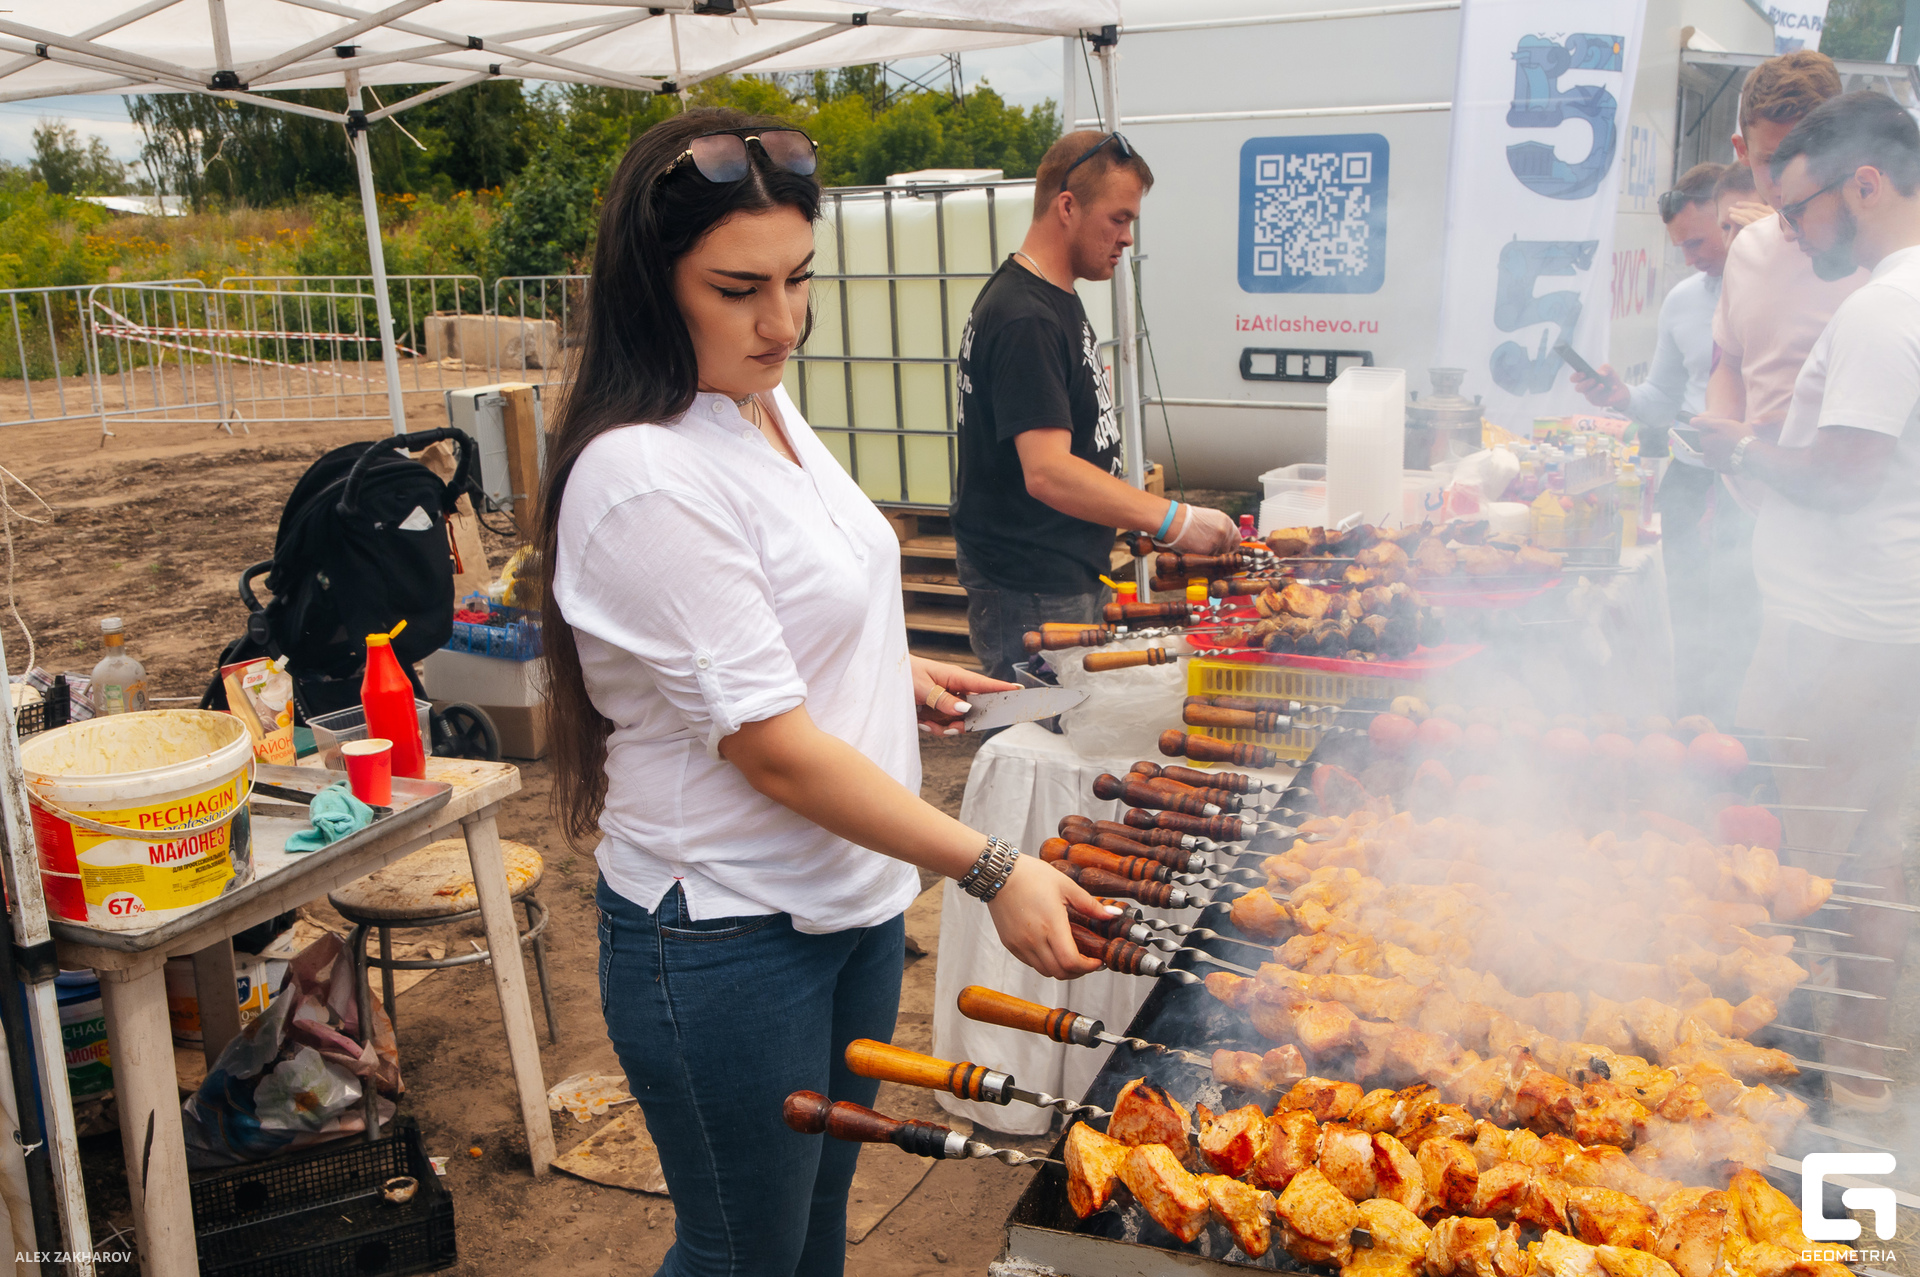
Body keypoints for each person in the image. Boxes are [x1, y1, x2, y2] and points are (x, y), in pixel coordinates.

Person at [535, 109, 1112, 1276]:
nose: (783, 320)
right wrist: (991, 866)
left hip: (848, 905)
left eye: (799, 278)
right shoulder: (644, 470)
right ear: (652, 286)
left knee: (812, 1230)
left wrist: (890, 668)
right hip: (726, 930)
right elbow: (773, 748)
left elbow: (787, 603)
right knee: (741, 1250)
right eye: (738, 287)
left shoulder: (757, 399)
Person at [1695, 89, 1920, 1112]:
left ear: (1864, 185)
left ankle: (1775, 1095)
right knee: (1877, 848)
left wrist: (1742, 448)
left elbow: (1844, 475)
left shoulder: (1882, 309)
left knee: (1807, 864)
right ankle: (1861, 1069)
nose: (1787, 233)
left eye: (1799, 210)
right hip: (1885, 624)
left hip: (1843, 636)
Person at [951, 130, 1238, 680]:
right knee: (1043, 730)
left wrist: (1123, 515)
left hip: (1060, 571)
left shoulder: (1052, 295)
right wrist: (1175, 520)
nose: (1127, 237)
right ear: (1067, 207)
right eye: (1118, 218)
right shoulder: (1025, 316)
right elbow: (1048, 472)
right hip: (1031, 585)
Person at [1692, 50, 1865, 726]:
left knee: (1824, 721)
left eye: (1808, 155)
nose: (1789, 176)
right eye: (1771, 160)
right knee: (1729, 698)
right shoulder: (1748, 248)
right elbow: (1729, 359)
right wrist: (1722, 433)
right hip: (1745, 510)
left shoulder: (1875, 256)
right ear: (1741, 152)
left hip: (1842, 528)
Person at [1568, 164, 1730, 718]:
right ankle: (1691, 721)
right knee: (1688, 610)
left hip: (1755, 479)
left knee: (1737, 614)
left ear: (1732, 218)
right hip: (1690, 477)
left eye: (1697, 242)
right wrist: (1619, 397)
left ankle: (1732, 728)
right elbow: (1662, 398)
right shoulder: (1684, 299)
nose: (1689, 257)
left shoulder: (1792, 290)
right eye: (1679, 246)